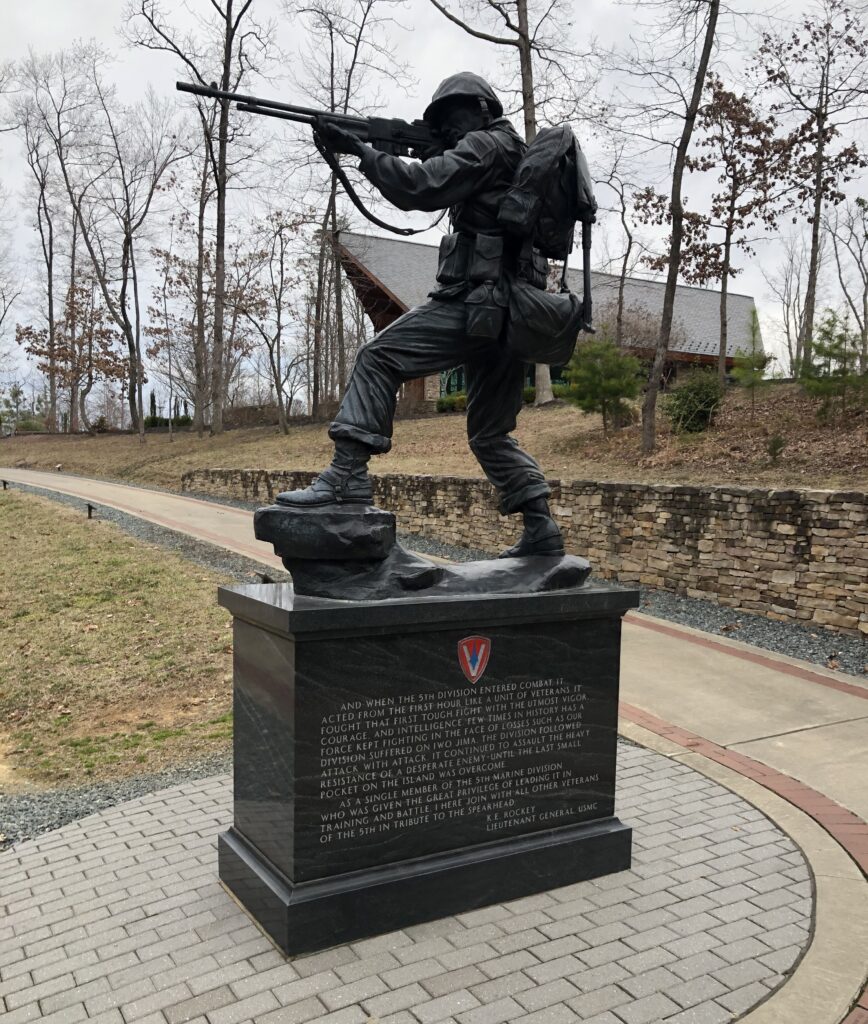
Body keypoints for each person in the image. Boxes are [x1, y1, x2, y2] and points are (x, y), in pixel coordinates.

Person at [278, 72, 563, 558]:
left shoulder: (487, 145)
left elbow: (420, 187)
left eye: (454, 119)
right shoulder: (510, 153)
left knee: (378, 358)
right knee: (490, 434)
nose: (450, 132)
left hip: (478, 303)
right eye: (441, 126)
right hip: (512, 314)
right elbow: (449, 178)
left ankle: (347, 475)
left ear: (484, 109)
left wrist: (362, 153)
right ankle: (542, 527)